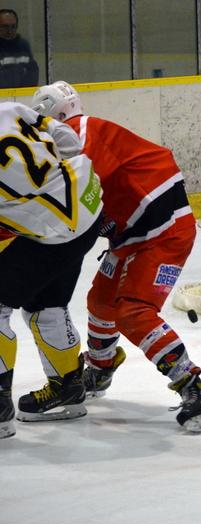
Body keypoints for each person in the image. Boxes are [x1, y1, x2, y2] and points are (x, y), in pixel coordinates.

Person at [31, 81, 201, 432]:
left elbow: (72, 199)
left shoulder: (78, 134)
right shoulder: (80, 136)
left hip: (163, 235)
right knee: (100, 302)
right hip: (131, 235)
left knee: (133, 311)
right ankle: (101, 368)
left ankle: (196, 391)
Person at [0, 101, 102, 438]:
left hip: (53, 230)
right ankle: (67, 389)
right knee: (45, 305)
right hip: (88, 204)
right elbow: (66, 136)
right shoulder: (9, 108)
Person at [0, 8, 39, 88]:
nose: (9, 31)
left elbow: (32, 71)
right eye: (5, 27)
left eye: (13, 27)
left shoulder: (23, 45)